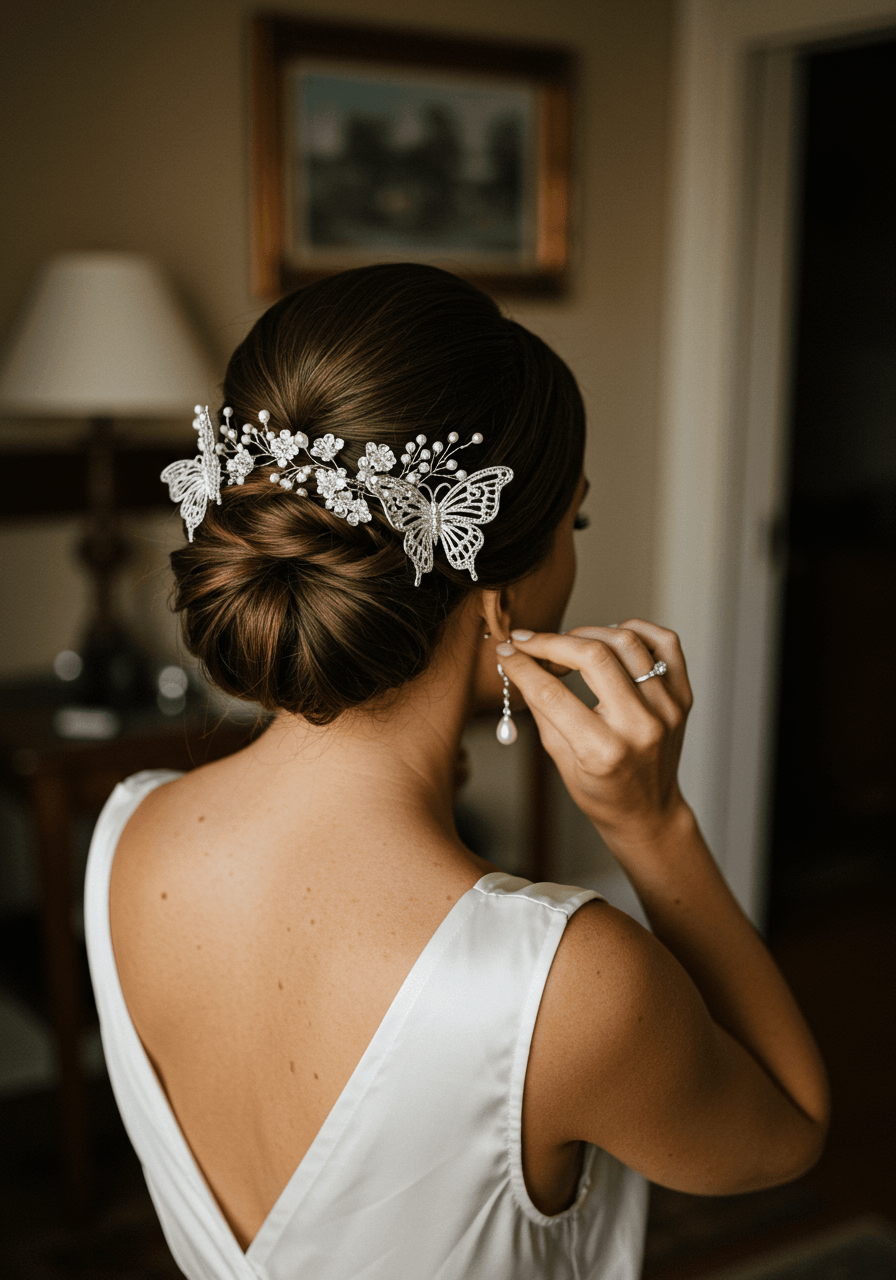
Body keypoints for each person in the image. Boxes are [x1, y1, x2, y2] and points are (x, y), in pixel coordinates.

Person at [84, 264, 828, 1280]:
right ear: (497, 600)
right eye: (575, 524)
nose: (574, 560)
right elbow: (787, 1126)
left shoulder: (128, 833)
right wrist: (654, 827)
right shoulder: (561, 982)